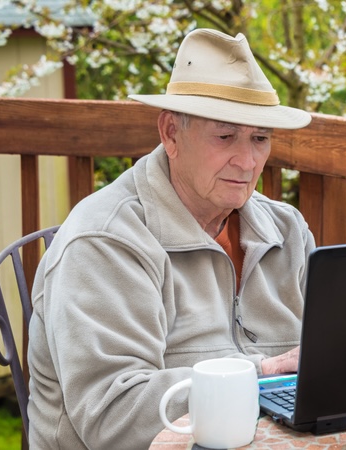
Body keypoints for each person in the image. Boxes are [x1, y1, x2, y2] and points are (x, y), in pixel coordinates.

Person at [27, 28, 314, 449]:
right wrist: (260, 373)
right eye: (225, 136)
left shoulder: (287, 230)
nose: (248, 161)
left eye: (260, 138)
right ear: (171, 134)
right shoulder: (104, 241)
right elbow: (112, 416)